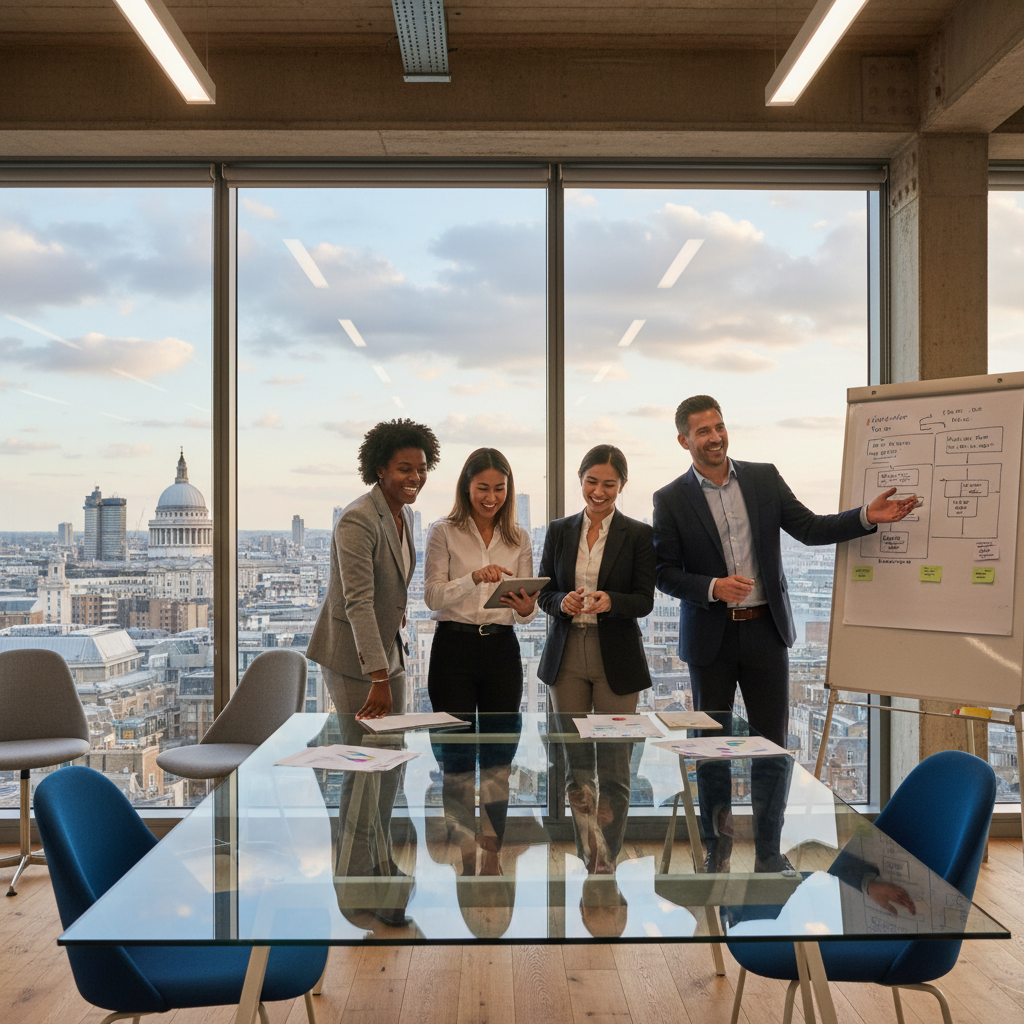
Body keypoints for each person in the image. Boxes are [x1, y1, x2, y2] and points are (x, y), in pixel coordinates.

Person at [652, 394, 917, 873]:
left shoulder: (763, 477)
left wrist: (865, 517)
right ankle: (718, 846)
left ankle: (770, 853)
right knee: (710, 748)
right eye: (703, 431)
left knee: (770, 747)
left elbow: (810, 528)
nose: (714, 437)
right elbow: (665, 572)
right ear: (683, 440)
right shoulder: (669, 499)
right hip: (710, 638)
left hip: (765, 633)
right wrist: (713, 587)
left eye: (719, 426)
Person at [307, 418, 440, 918]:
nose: (415, 476)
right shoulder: (358, 518)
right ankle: (357, 886)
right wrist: (379, 677)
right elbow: (358, 601)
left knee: (388, 771)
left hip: (390, 652)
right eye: (404, 468)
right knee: (365, 773)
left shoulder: (401, 514)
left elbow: (389, 588)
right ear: (379, 467)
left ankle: (376, 866)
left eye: (421, 468)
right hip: (356, 662)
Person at [537, 445, 655, 873]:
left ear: (622, 485)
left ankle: (609, 856)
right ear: (580, 480)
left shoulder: (639, 534)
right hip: (567, 656)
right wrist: (560, 601)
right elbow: (544, 592)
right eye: (591, 481)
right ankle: (589, 853)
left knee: (614, 768)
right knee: (575, 767)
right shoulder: (559, 530)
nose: (598, 491)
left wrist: (611, 602)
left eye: (608, 483)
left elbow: (644, 600)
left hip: (616, 660)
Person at [423, 447, 538, 876]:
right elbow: (432, 596)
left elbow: (527, 614)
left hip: (501, 648)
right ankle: (461, 850)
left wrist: (526, 604)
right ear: (466, 487)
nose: (491, 498)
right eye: (483, 489)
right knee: (454, 756)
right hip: (453, 648)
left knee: (498, 754)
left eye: (500, 489)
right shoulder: (443, 532)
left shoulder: (519, 538)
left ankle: (492, 849)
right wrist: (473, 577)